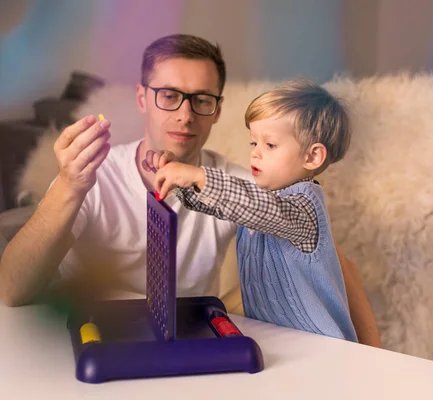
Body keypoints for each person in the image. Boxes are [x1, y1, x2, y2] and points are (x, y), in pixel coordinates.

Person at [0, 34, 381, 347]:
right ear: (141, 97)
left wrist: (375, 357)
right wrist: (69, 186)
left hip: (182, 341)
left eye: (201, 100)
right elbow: (11, 290)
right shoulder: (89, 174)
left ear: (217, 110)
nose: (185, 114)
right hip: (85, 335)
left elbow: (329, 257)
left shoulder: (252, 186)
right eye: (169, 95)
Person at [145, 79, 357, 341]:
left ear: (312, 157)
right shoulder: (260, 199)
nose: (255, 154)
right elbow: (228, 206)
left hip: (323, 346)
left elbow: (259, 208)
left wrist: (199, 175)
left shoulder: (304, 209)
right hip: (280, 339)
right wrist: (180, 182)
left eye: (270, 145)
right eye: (253, 143)